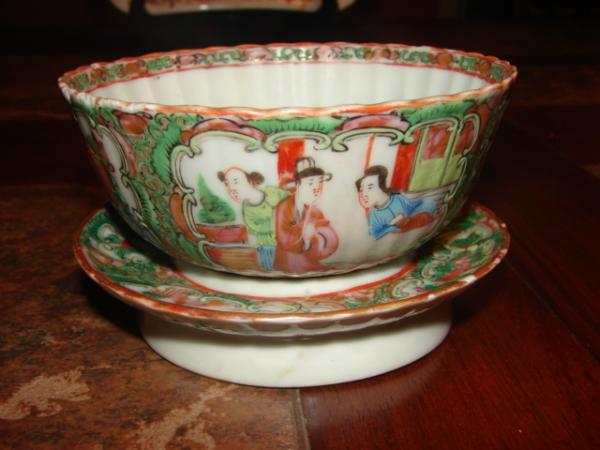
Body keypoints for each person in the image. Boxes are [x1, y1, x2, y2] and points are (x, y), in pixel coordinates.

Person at [274, 157, 338, 274]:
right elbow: (284, 239)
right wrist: (304, 235)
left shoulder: (315, 211)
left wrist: (316, 239)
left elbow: (327, 241)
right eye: (311, 183)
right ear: (298, 184)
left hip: (310, 261)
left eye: (319, 182)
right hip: (288, 262)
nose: (316, 188)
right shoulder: (284, 207)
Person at [218, 167, 289, 270]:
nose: (232, 189)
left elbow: (291, 203)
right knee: (269, 267)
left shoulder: (272, 192)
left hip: (288, 244)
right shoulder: (246, 208)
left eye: (236, 182)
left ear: (251, 182)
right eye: (227, 184)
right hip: (267, 247)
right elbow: (253, 228)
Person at [356, 165, 436, 240]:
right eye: (361, 190)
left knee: (428, 206)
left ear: (382, 187)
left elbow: (414, 206)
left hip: (411, 230)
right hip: (394, 239)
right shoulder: (374, 215)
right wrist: (392, 227)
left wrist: (409, 219)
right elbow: (374, 235)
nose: (364, 194)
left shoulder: (398, 198)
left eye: (370, 188)